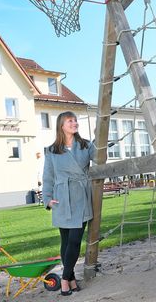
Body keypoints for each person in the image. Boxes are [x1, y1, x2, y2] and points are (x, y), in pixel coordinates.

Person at [43, 111, 95, 296]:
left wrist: (101, 139)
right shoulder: (51, 151)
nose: (74, 123)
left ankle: (64, 279)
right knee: (65, 241)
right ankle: (72, 279)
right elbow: (48, 176)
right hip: (61, 198)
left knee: (74, 239)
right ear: (61, 126)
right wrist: (47, 199)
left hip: (80, 195)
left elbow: (99, 158)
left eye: (75, 120)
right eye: (70, 121)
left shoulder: (86, 145)